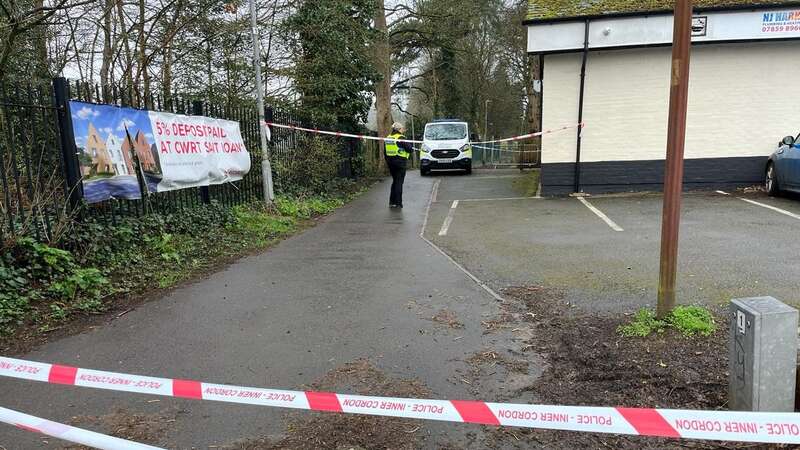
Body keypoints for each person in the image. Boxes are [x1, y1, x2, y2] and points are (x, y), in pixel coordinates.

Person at [384, 122, 413, 208]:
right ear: (399, 129)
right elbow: (409, 149)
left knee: (395, 181)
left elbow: (385, 152)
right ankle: (398, 203)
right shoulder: (401, 137)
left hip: (390, 162)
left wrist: (388, 161)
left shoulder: (388, 138)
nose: (403, 130)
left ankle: (392, 202)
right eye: (402, 129)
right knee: (399, 182)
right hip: (400, 163)